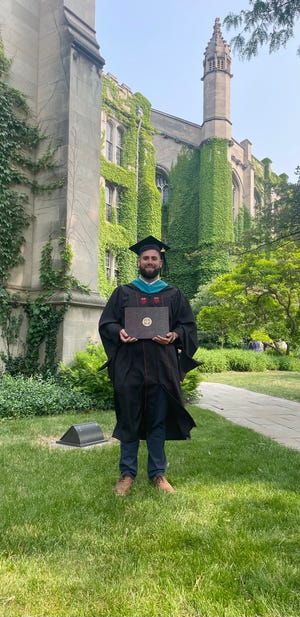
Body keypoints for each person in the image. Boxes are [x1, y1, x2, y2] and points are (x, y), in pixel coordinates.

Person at [98, 235, 199, 495]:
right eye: (145, 258)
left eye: (154, 258)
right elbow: (106, 323)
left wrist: (174, 336)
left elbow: (187, 326)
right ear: (139, 261)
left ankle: (158, 474)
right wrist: (119, 331)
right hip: (129, 367)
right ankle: (127, 474)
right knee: (129, 420)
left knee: (157, 422)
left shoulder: (173, 294)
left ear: (161, 262)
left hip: (162, 369)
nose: (150, 261)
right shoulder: (123, 292)